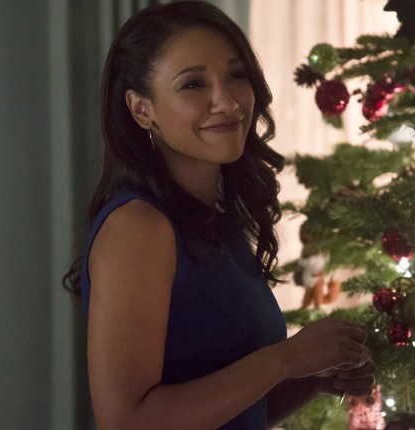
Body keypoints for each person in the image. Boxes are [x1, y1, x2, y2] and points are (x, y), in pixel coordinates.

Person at [62, 2, 376, 428]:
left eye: (236, 75)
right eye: (193, 84)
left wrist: (313, 377)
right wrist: (285, 359)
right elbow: (125, 422)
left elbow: (234, 414)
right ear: (141, 109)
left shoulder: (216, 220)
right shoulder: (139, 227)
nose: (227, 102)